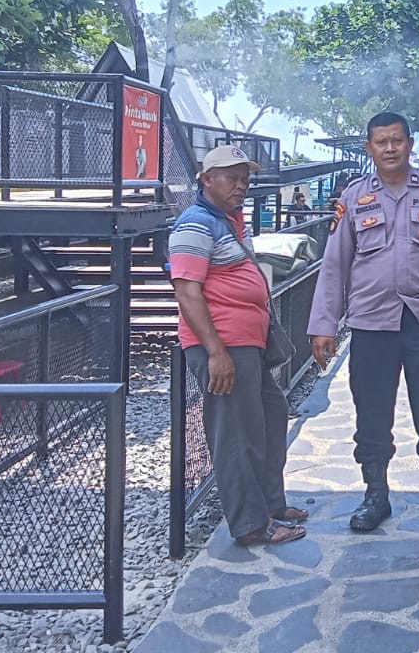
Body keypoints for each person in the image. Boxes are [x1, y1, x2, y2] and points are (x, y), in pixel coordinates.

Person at [307, 112, 419, 538]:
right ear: (370, 147)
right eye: (381, 141)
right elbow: (334, 264)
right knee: (371, 413)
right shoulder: (354, 197)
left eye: (397, 140)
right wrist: (323, 324)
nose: (389, 148)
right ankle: (375, 496)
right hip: (371, 322)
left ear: (410, 144)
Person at [170, 145, 308, 547]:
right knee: (236, 434)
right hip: (224, 345)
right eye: (232, 177)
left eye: (245, 178)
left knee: (269, 416)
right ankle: (250, 524)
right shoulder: (196, 224)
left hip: (245, 344)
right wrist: (217, 352)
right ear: (206, 180)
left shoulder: (227, 222)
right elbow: (187, 292)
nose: (241, 185)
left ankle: (270, 504)